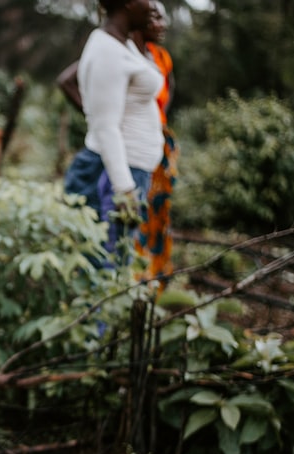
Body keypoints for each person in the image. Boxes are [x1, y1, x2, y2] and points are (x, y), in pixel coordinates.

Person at [58, 0, 162, 266]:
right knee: (110, 262)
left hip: (132, 166)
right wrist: (125, 189)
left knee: (114, 258)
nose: (152, 5)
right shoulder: (109, 51)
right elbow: (105, 125)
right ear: (127, 4)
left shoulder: (121, 44)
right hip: (122, 171)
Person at [133, 0, 177, 285]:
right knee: (138, 205)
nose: (160, 25)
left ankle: (158, 272)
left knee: (160, 207)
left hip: (159, 139)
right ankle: (136, 270)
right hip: (136, 142)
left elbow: (170, 87)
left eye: (163, 19)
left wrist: (157, 119)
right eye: (154, 18)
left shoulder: (162, 57)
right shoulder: (131, 53)